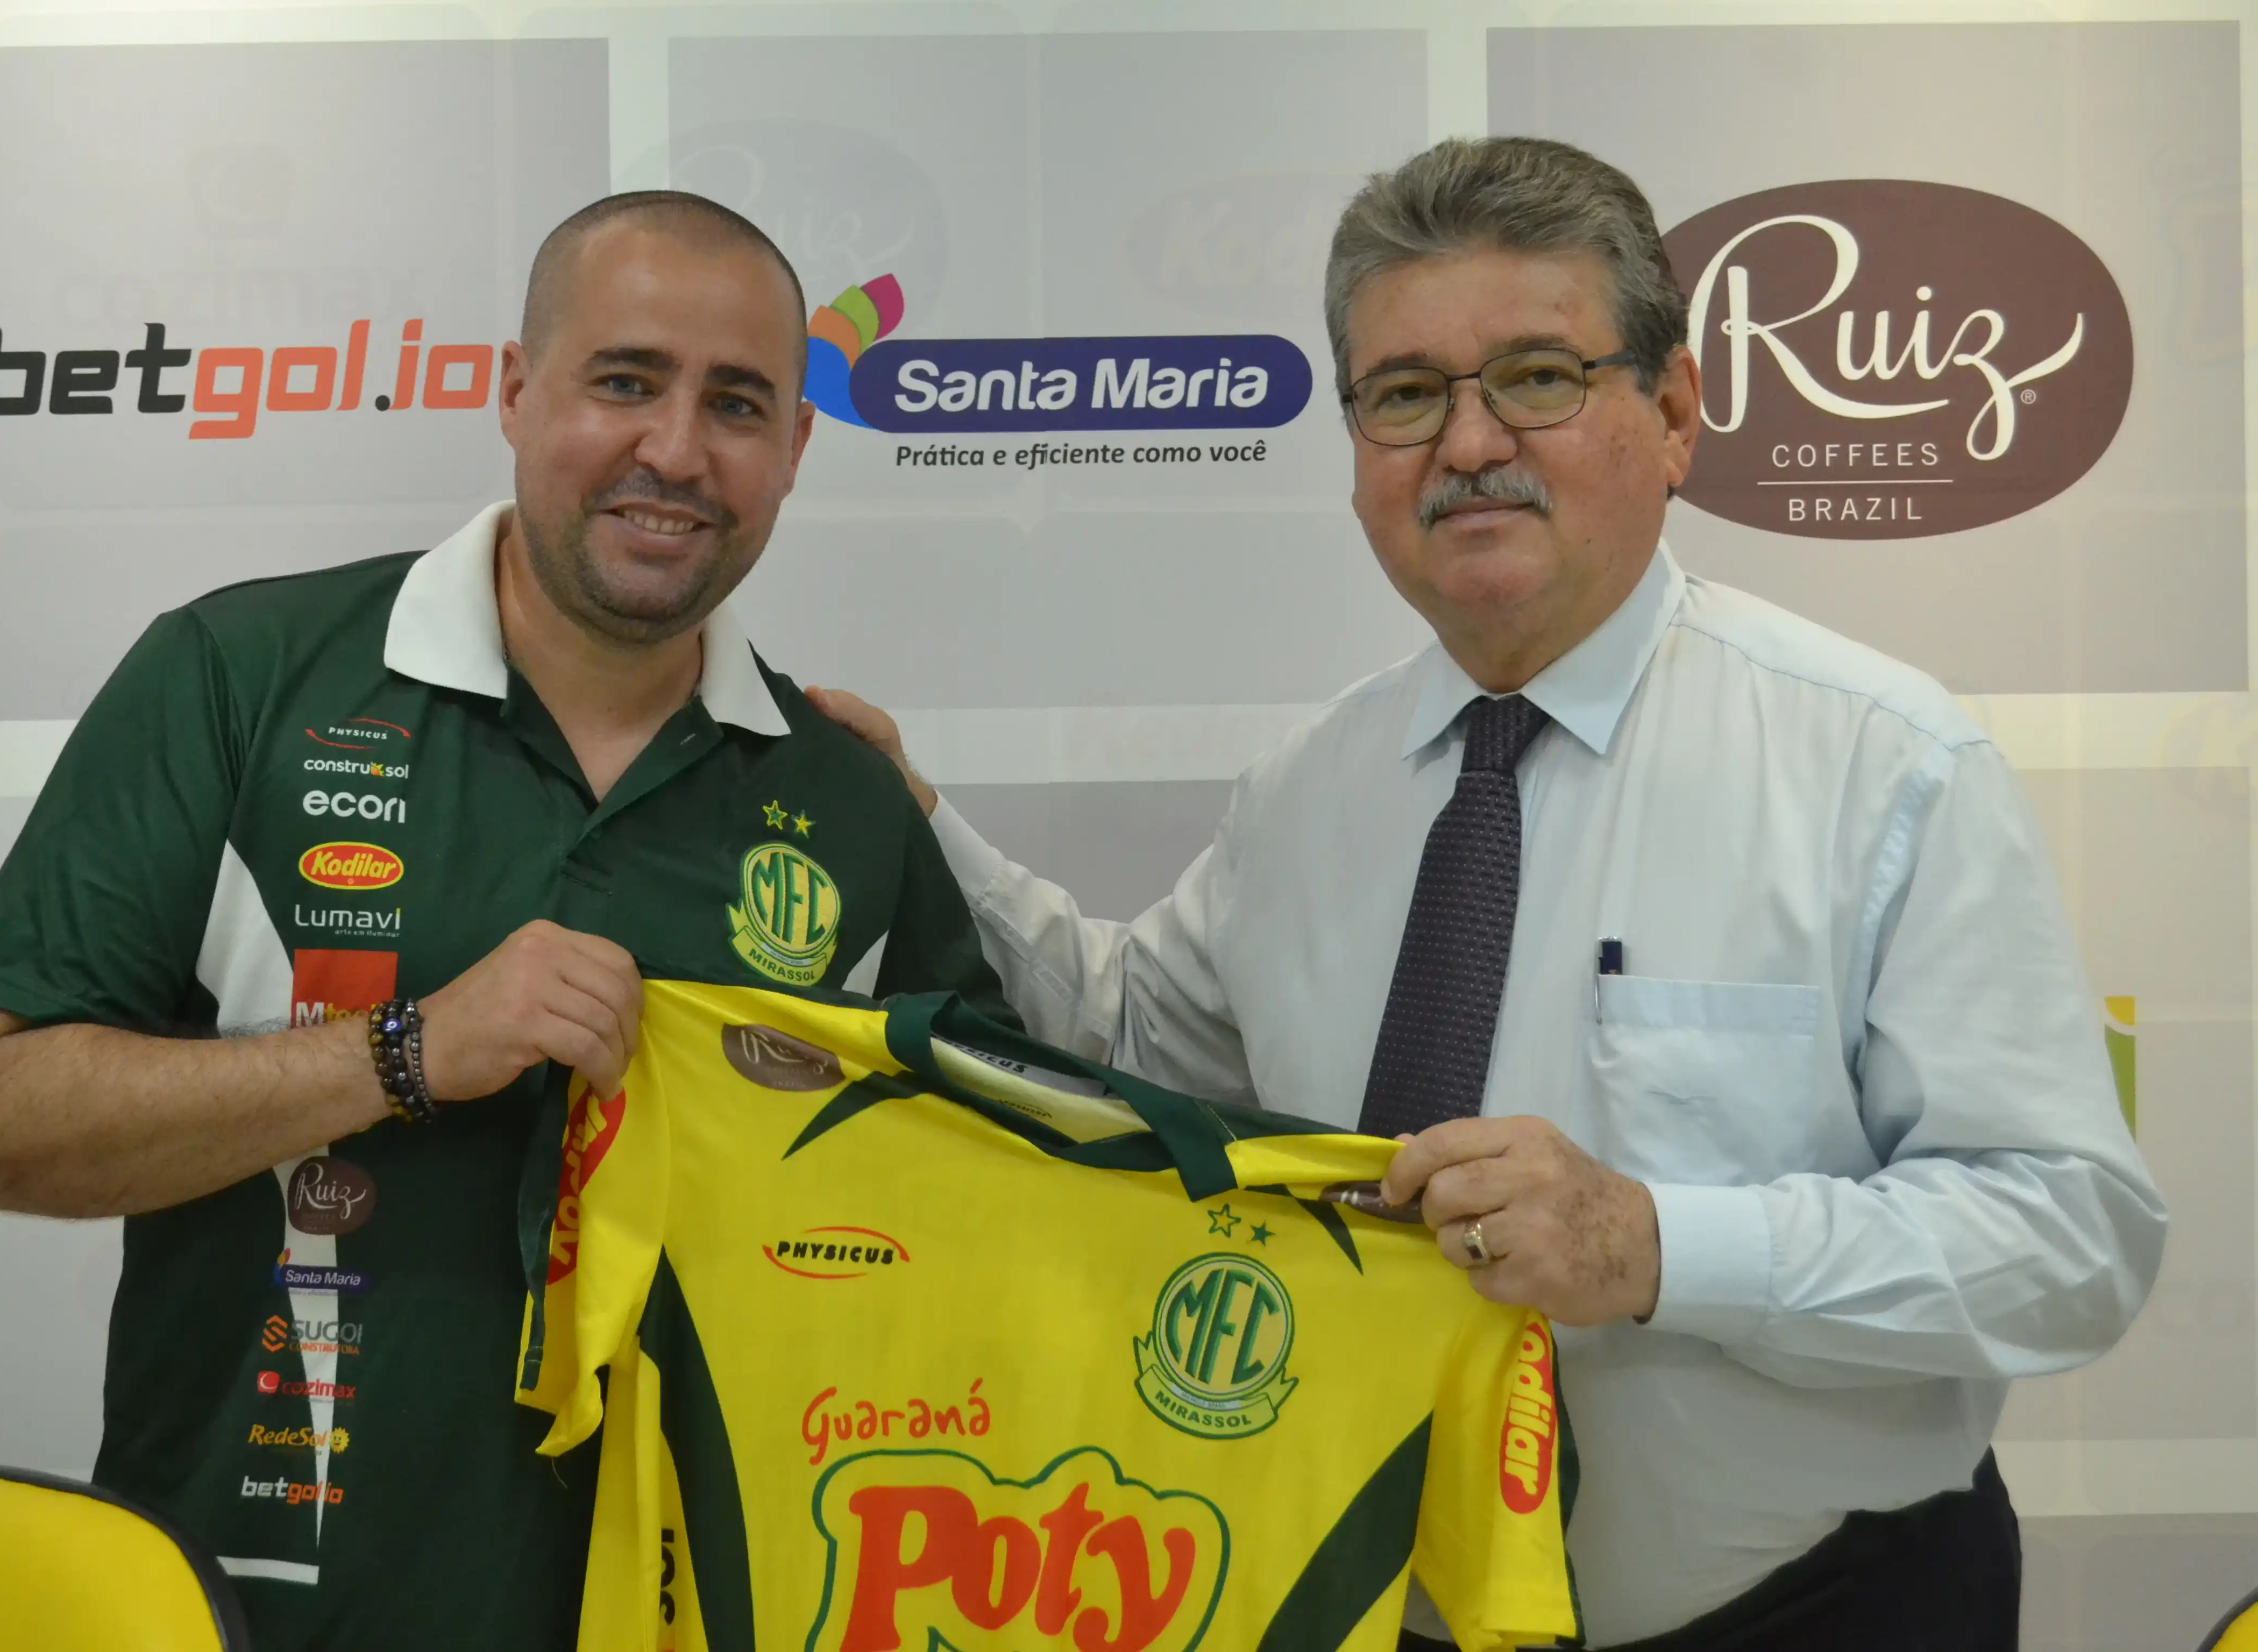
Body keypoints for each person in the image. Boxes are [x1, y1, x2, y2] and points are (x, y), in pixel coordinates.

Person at [811, 137, 2165, 1651]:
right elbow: (1127, 1039)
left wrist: (1652, 1245)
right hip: (1388, 1604)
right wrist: (913, 828)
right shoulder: (1307, 793)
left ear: (1673, 414)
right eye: (1404, 394)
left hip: (1818, 1612)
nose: (1467, 443)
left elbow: (2071, 1239)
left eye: (1537, 377)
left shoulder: (1881, 764)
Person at [0, 191, 1011, 1651]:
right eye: (626, 381)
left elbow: (996, 1227)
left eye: (738, 404)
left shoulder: (851, 805)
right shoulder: (240, 679)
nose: (677, 451)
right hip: (257, 1618)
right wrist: (403, 1053)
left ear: (798, 447)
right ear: (512, 391)